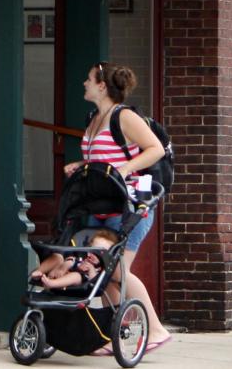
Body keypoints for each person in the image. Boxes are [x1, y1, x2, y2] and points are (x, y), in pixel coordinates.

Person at [63, 62, 172, 356]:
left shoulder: (123, 117)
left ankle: (157, 330)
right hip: (102, 206)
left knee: (117, 270)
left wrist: (126, 169)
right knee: (104, 272)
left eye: (88, 79)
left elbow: (155, 149)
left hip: (130, 207)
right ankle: (115, 334)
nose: (83, 83)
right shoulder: (94, 118)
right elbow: (102, 159)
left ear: (101, 86)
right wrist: (82, 165)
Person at [32, 227, 119, 291]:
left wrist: (91, 270)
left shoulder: (101, 267)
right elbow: (75, 261)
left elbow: (94, 282)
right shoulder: (84, 258)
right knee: (58, 257)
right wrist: (67, 264)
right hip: (61, 275)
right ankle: (38, 273)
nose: (93, 254)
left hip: (80, 282)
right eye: (93, 249)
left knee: (77, 276)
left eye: (99, 252)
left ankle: (52, 283)